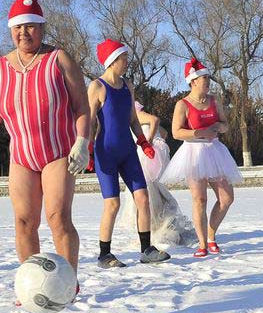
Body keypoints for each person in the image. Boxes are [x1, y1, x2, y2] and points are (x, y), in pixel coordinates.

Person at [0, 0, 89, 293]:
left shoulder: (58, 58)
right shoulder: (0, 67)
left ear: (41, 27)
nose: (23, 32)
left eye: (30, 26)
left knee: (58, 218)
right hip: (22, 157)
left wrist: (82, 141)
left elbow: (82, 106)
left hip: (57, 152)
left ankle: (67, 284)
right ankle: (33, 285)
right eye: (18, 27)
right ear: (10, 30)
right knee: (24, 222)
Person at [87, 40, 170, 267]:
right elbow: (88, 121)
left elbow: (133, 120)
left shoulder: (127, 86)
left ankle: (146, 249)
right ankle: (105, 254)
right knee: (112, 204)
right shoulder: (97, 87)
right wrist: (87, 148)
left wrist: (143, 142)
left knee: (143, 199)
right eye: (123, 58)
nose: (126, 62)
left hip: (128, 152)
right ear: (112, 60)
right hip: (106, 153)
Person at [160, 58, 242, 257]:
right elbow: (176, 132)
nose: (208, 81)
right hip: (193, 153)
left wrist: (218, 128)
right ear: (193, 81)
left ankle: (212, 235)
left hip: (215, 151)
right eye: (204, 78)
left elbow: (225, 124)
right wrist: (199, 132)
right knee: (200, 200)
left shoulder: (214, 100)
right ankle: (203, 244)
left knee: (226, 198)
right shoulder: (183, 104)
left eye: (208, 78)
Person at [118, 110, 197, 249]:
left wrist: (147, 141)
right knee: (149, 195)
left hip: (143, 157)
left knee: (145, 197)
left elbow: (155, 120)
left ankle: (148, 234)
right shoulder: (135, 115)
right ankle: (149, 232)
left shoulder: (135, 112)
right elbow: (163, 132)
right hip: (144, 158)